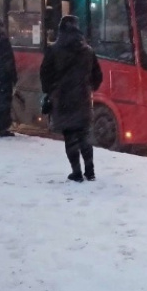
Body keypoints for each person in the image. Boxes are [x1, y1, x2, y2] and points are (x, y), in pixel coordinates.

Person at [40, 15, 103, 182]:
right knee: (84, 136)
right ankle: (90, 172)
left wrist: (49, 91)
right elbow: (98, 76)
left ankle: (76, 172)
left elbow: (45, 74)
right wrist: (89, 87)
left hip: (62, 100)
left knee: (70, 136)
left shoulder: (53, 50)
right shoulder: (88, 51)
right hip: (82, 98)